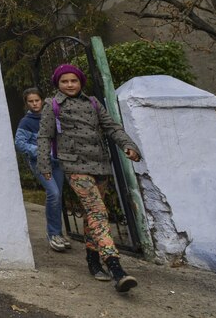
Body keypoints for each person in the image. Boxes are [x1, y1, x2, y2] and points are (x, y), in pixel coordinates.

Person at [38, 64, 143, 293]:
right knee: (97, 211)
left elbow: (111, 127)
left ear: (80, 82)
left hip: (100, 164)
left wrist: (128, 145)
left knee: (91, 215)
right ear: (58, 84)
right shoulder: (52, 105)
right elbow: (45, 136)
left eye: (73, 81)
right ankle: (115, 267)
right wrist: (44, 165)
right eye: (64, 81)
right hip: (75, 165)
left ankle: (93, 260)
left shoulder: (93, 103)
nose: (69, 85)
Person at [14, 87, 70, 253]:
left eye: (37, 100)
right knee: (53, 193)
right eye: (30, 101)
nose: (34, 104)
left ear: (42, 100)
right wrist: (40, 150)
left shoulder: (51, 116)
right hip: (39, 163)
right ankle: (52, 234)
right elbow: (19, 143)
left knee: (58, 196)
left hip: (57, 162)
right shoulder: (26, 122)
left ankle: (58, 233)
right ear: (26, 104)